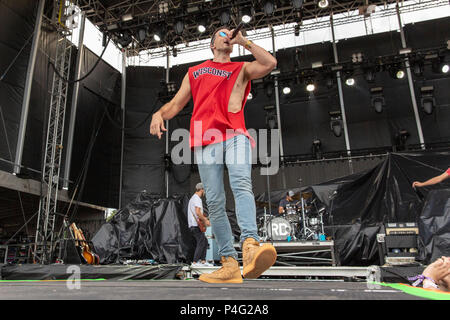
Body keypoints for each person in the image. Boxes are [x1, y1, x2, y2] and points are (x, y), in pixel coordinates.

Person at [150, 25, 278, 283]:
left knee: (241, 183)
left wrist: (244, 42)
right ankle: (229, 264)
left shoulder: (241, 69)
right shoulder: (195, 72)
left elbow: (270, 62)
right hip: (205, 141)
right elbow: (176, 104)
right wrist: (158, 114)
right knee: (216, 203)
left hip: (235, 135)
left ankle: (250, 245)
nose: (227, 35)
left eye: (230, 34)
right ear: (211, 44)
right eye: (222, 33)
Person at [188, 183, 212, 267]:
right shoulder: (197, 199)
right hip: (195, 225)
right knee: (201, 242)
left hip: (192, 225)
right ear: (202, 189)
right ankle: (195, 262)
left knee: (204, 241)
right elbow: (198, 212)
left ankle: (202, 261)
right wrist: (205, 220)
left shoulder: (192, 199)